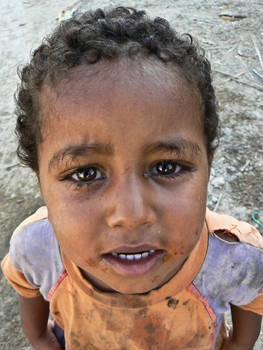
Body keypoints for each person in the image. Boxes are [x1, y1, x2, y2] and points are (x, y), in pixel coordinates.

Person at [1, 6, 263, 350]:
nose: (132, 213)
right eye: (85, 173)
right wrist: (38, 337)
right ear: (39, 178)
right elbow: (27, 286)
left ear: (208, 162)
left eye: (167, 167)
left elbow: (250, 305)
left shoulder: (235, 258)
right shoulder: (37, 246)